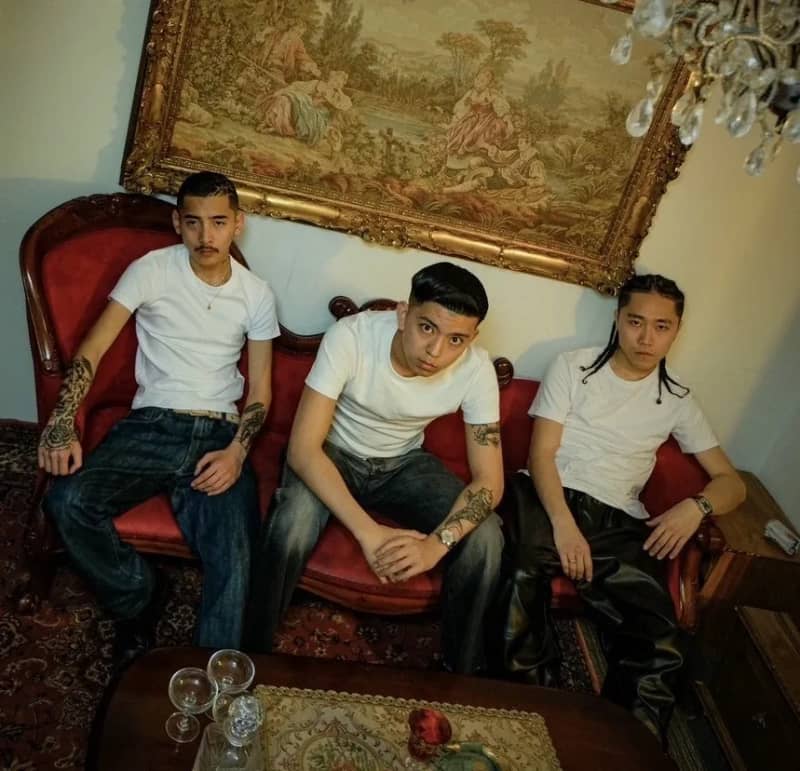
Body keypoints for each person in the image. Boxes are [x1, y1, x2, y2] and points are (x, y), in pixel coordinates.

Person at [40, 171, 279, 666]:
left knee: (235, 557)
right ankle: (138, 594)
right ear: (177, 222)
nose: (205, 235)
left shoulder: (257, 293)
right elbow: (93, 349)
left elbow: (260, 389)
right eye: (193, 222)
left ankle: (214, 679)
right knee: (66, 501)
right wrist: (62, 421)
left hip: (219, 432)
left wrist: (237, 452)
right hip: (152, 425)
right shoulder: (150, 269)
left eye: (218, 222)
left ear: (238, 224)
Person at [496, 274, 745, 742]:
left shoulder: (677, 400)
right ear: (617, 320)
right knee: (520, 574)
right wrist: (563, 525)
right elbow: (541, 454)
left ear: (676, 330)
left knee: (662, 634)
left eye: (661, 326)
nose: (646, 338)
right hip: (550, 494)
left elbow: (733, 484)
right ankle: (525, 712)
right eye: (635, 322)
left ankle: (624, 745)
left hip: (617, 518)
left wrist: (696, 506)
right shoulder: (573, 366)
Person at [248, 262, 504, 674]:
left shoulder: (476, 369)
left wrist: (434, 546)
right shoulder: (352, 336)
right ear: (403, 314)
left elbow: (490, 482)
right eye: (427, 328)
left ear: (472, 339)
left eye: (456, 339)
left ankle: (460, 675)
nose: (436, 351)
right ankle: (250, 654)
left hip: (403, 464)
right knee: (293, 522)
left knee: (486, 535)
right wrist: (368, 532)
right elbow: (302, 449)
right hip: (332, 453)